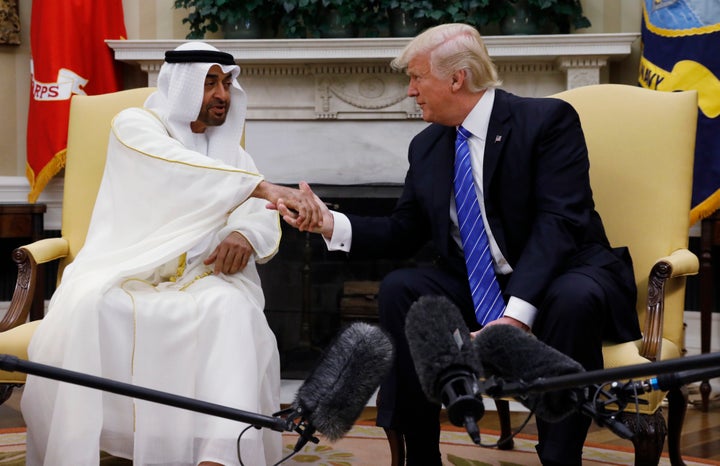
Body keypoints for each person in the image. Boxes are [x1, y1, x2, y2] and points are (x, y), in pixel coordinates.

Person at [278, 23, 642, 466]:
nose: (410, 91)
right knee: (402, 287)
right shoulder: (427, 146)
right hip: (479, 283)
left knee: (574, 297)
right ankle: (421, 454)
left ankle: (559, 456)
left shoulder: (546, 120)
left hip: (559, 274)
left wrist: (516, 317)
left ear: (457, 79)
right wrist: (327, 223)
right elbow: (405, 230)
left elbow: (559, 224)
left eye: (416, 77)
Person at [21, 42, 322, 466]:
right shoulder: (134, 125)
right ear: (181, 86)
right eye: (210, 82)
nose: (222, 94)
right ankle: (79, 452)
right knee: (87, 309)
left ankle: (219, 455)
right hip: (125, 273)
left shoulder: (231, 153)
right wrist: (262, 186)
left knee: (233, 311)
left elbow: (257, 213)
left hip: (202, 278)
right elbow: (177, 167)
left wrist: (243, 235)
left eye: (227, 83)